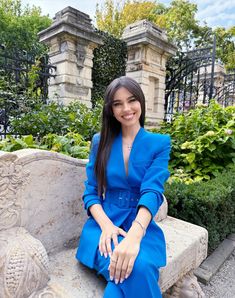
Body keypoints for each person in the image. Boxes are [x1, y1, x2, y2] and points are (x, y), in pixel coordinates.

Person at [76, 76, 171, 298]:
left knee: (132, 272)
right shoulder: (101, 141)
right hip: (102, 227)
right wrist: (107, 227)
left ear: (141, 102)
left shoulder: (159, 143)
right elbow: (91, 192)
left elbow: (152, 191)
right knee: (140, 268)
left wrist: (134, 237)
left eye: (131, 100)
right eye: (117, 103)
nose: (126, 109)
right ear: (110, 109)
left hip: (140, 225)